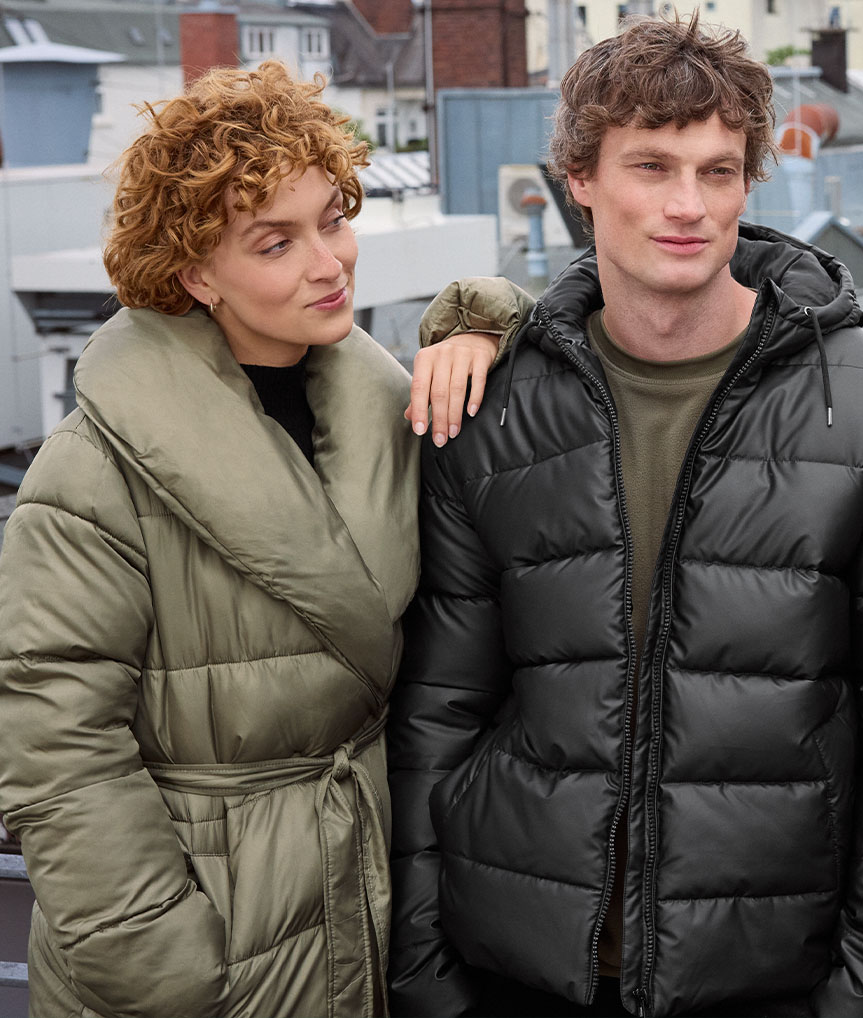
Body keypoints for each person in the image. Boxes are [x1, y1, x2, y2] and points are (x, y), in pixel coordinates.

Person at [387, 15, 863, 1018]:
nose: (688, 206)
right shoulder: (490, 407)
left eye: (718, 171)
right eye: (652, 166)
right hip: (520, 975)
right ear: (580, 178)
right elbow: (439, 713)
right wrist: (431, 980)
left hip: (779, 979)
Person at [0, 60, 529, 1018]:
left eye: (333, 218)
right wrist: (166, 968)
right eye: (274, 243)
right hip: (201, 950)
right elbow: (58, 755)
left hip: (360, 900)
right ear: (197, 271)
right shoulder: (89, 474)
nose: (328, 263)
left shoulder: (377, 407)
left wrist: (486, 325)